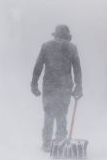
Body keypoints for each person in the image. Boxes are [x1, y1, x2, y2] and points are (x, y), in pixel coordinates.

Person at [31, 24, 83, 152]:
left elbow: (38, 66)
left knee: (49, 113)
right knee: (61, 113)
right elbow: (77, 69)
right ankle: (60, 141)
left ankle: (47, 143)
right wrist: (78, 86)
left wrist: (34, 84)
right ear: (67, 36)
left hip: (49, 85)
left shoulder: (46, 46)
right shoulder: (72, 48)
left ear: (55, 35)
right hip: (65, 86)